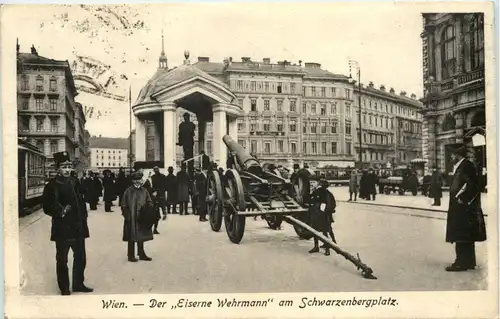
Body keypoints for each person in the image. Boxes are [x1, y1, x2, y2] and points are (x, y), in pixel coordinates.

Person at [42, 151, 93, 295]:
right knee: (62, 259)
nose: (67, 169)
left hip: (78, 227)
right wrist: (61, 212)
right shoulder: (52, 185)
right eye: (64, 166)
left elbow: (81, 199)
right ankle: (64, 287)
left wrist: (84, 215)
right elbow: (47, 207)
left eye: (69, 166)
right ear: (57, 168)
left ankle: (78, 284)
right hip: (62, 228)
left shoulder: (74, 181)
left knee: (81, 257)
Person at [445, 145, 486, 272]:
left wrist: (464, 199)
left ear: (457, 155)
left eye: (452, 155)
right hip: (462, 206)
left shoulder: (466, 166)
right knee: (466, 234)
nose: (450, 157)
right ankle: (469, 262)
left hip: (463, 207)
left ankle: (461, 262)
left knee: (461, 234)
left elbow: (473, 185)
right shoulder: (464, 165)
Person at [121, 171, 155, 262]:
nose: (137, 181)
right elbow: (123, 204)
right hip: (131, 218)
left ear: (141, 180)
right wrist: (127, 215)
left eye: (139, 179)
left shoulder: (144, 191)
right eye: (135, 180)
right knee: (131, 236)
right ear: (132, 181)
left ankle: (141, 254)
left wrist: (148, 210)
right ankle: (130, 255)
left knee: (141, 236)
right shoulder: (128, 191)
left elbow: (150, 202)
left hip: (142, 218)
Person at [308, 177, 337, 256]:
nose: (311, 184)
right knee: (321, 231)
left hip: (320, 214)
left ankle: (325, 248)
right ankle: (323, 246)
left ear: (318, 183)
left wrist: (322, 211)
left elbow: (321, 202)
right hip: (320, 214)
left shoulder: (320, 191)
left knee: (321, 231)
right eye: (311, 183)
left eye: (313, 182)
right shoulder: (323, 191)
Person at [177, 112, 196, 177]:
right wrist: (180, 142)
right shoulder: (190, 125)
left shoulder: (184, 125)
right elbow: (180, 134)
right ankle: (187, 170)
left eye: (186, 117)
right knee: (188, 156)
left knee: (189, 156)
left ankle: (189, 170)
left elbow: (181, 134)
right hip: (187, 142)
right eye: (185, 117)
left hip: (188, 142)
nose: (186, 118)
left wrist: (180, 142)